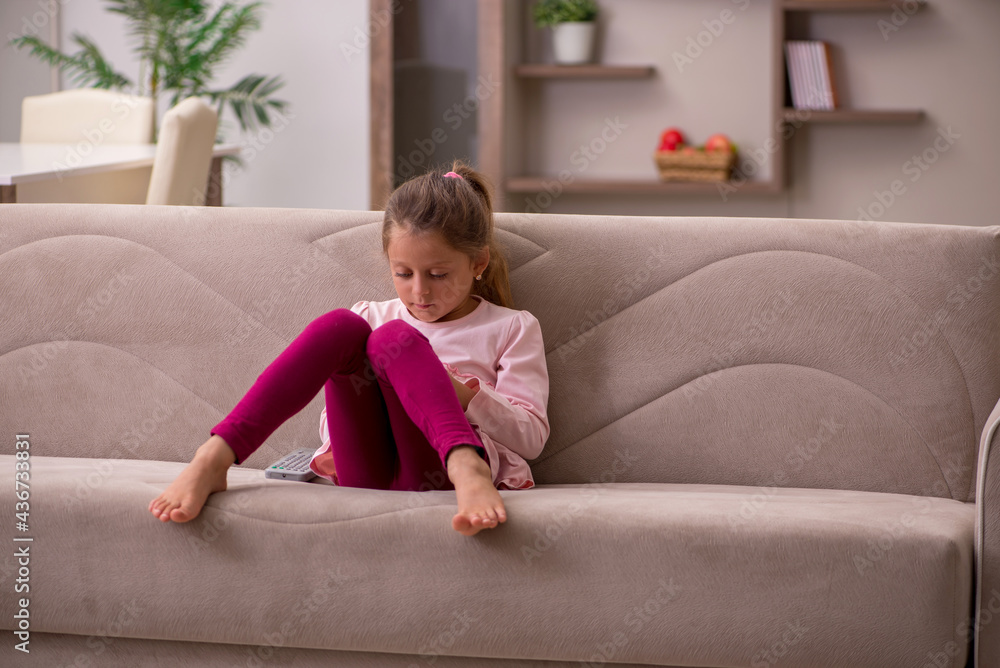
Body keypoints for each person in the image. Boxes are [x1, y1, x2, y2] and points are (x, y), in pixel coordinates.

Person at [148, 161, 550, 536]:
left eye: (438, 274)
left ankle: (467, 465)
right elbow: (331, 423)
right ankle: (215, 455)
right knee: (345, 325)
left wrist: (455, 390)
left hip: (439, 474)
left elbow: (531, 437)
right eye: (403, 273)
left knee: (396, 339)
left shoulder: (512, 326)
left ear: (478, 262)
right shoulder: (371, 316)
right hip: (365, 469)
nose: (419, 291)